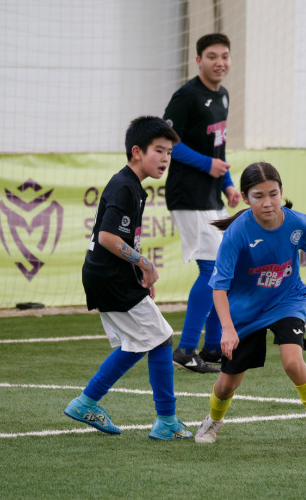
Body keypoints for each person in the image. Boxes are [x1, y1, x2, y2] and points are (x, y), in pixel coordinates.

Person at [194, 162, 306, 456]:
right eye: (258, 196)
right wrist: (228, 329)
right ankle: (213, 420)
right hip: (245, 311)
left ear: (281, 192)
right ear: (245, 198)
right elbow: (219, 287)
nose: (268, 202)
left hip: (287, 299)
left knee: (292, 362)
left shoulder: (298, 223)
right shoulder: (237, 233)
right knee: (227, 384)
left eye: (273, 194)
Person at [64, 116, 192, 440]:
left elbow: (123, 239)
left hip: (108, 276)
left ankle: (89, 402)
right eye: (159, 150)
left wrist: (139, 275)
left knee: (142, 341)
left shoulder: (132, 186)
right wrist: (145, 265)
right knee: (159, 337)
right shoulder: (124, 186)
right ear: (137, 151)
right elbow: (108, 237)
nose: (165, 158)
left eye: (169, 153)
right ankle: (164, 421)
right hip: (109, 278)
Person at [163, 33, 241, 374]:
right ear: (198, 60)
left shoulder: (223, 95)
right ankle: (186, 349)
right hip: (188, 195)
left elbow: (217, 149)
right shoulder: (186, 96)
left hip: (211, 196)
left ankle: (212, 348)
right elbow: (168, 142)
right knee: (211, 270)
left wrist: (228, 184)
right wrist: (206, 165)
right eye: (212, 56)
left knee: (224, 269)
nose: (219, 62)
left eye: (224, 56)